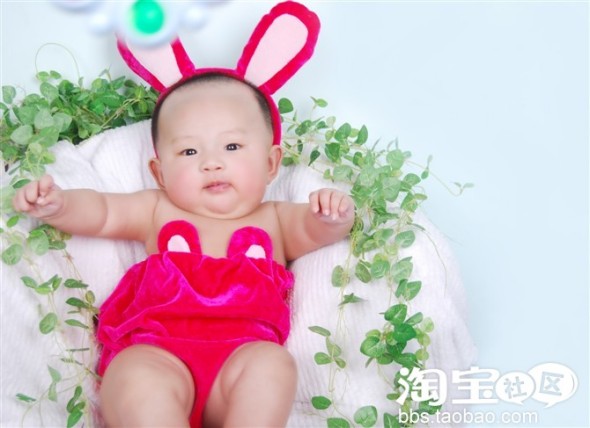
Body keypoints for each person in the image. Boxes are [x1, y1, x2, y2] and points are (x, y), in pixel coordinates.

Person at [13, 72, 355, 427]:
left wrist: (331, 215)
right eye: (189, 151)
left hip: (240, 362)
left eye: (232, 146)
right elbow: (103, 212)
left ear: (271, 164)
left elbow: (316, 230)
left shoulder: (277, 219)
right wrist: (60, 205)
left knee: (272, 364)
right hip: (160, 354)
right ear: (160, 173)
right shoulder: (157, 209)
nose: (211, 162)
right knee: (134, 375)